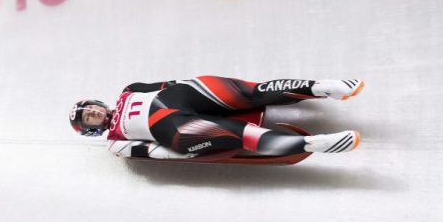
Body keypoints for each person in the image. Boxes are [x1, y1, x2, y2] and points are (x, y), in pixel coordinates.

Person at [69, 76, 363, 159]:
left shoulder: (129, 89)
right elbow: (152, 152)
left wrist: (194, 83)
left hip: (183, 95)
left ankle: (321, 87)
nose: (95, 113)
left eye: (92, 107)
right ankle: (313, 144)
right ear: (91, 130)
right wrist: (185, 154)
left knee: (250, 91)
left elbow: (166, 85)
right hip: (174, 130)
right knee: (240, 134)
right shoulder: (115, 141)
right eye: (90, 118)